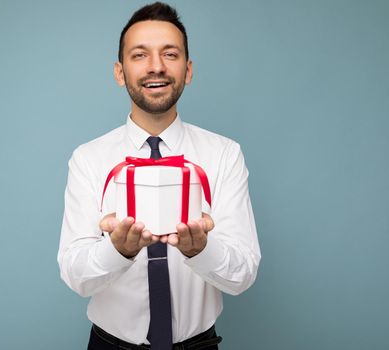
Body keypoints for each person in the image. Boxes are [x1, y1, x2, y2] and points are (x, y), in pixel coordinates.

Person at [58, 2, 261, 349]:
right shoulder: (88, 159)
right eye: (140, 55)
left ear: (188, 69)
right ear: (120, 72)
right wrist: (117, 251)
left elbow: (242, 274)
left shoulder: (224, 154)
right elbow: (76, 276)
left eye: (170, 54)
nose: (156, 67)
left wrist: (201, 251)